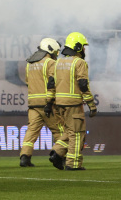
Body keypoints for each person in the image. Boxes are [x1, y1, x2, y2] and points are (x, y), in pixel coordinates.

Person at [49, 32, 96, 171]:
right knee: (77, 133)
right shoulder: (79, 62)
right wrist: (91, 105)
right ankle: (73, 164)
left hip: (59, 103)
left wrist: (49, 102)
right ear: (78, 47)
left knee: (70, 131)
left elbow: (51, 84)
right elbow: (83, 85)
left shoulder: (57, 62)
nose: (84, 50)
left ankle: (57, 152)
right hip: (73, 103)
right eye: (83, 47)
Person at [19, 38, 64, 167]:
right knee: (59, 131)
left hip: (33, 104)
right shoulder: (50, 63)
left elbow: (28, 82)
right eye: (55, 51)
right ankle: (59, 155)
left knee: (31, 131)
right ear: (50, 50)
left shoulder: (30, 64)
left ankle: (24, 157)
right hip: (47, 103)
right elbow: (53, 82)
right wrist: (50, 102)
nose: (56, 54)